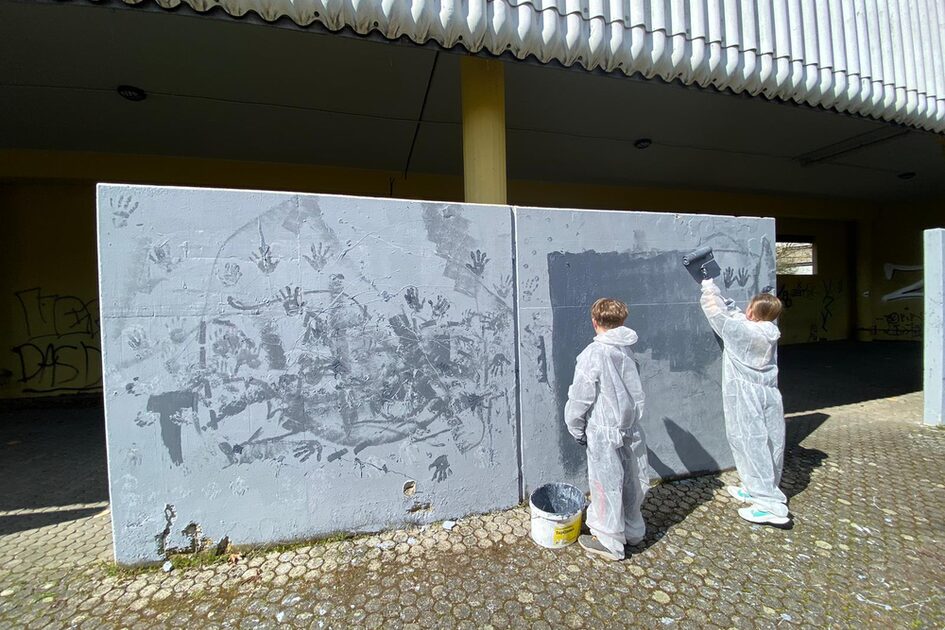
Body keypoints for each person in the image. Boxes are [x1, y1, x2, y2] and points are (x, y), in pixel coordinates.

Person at [699, 278, 791, 526]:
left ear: (753, 311)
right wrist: (724, 298)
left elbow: (718, 318)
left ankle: (770, 505)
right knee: (769, 443)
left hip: (747, 398)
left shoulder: (744, 333)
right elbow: (736, 317)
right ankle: (756, 486)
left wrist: (709, 289)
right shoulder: (767, 331)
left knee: (752, 444)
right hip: (769, 395)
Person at [565, 298, 649, 561]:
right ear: (622, 321)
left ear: (594, 321)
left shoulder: (594, 353)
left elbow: (581, 396)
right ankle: (633, 530)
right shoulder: (627, 350)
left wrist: (575, 426)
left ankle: (609, 540)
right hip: (629, 428)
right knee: (630, 481)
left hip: (604, 430)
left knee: (605, 483)